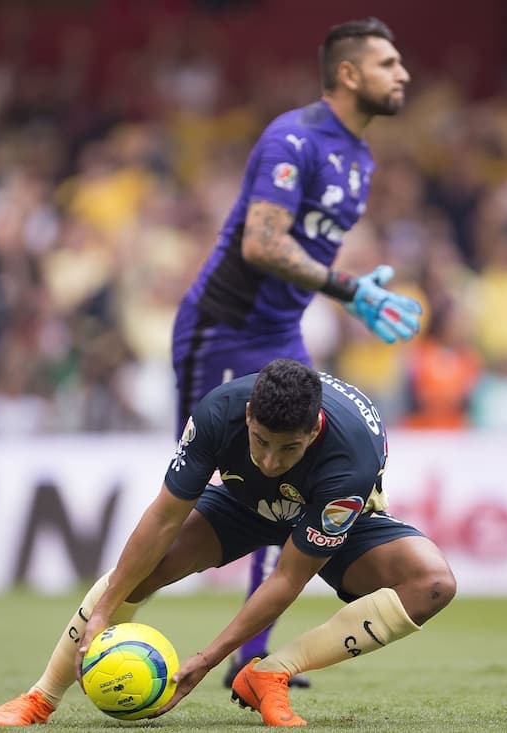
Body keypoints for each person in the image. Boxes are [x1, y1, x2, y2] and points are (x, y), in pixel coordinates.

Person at [0, 359, 456, 727]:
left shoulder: (350, 461)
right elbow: (165, 516)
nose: (271, 461)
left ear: (313, 432)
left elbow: (289, 575)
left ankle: (270, 672)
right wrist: (106, 608)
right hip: (242, 503)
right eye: (260, 441)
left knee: (432, 583)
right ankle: (40, 698)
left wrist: (208, 659)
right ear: (249, 415)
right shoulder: (217, 411)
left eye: (288, 448)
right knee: (139, 571)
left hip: (325, 508)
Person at [169, 16, 420, 687]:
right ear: (348, 73)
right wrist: (346, 286)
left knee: (291, 478)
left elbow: (301, 254)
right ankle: (101, 624)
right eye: (389, 63)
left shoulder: (361, 160)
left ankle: (252, 659)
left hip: (282, 331)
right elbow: (261, 242)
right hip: (222, 326)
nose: (404, 74)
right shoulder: (295, 137)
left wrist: (349, 297)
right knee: (212, 488)